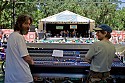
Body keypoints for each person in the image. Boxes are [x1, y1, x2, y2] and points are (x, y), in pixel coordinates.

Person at [5, 14, 34, 83]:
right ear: (19, 24)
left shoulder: (11, 36)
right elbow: (25, 56)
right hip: (22, 78)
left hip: (10, 78)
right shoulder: (19, 37)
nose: (28, 27)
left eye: (29, 24)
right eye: (26, 23)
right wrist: (32, 62)